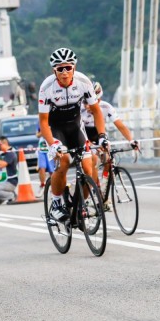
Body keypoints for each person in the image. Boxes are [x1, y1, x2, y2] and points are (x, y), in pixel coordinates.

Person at [38, 47, 108, 221]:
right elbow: (43, 122)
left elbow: (96, 111)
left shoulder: (83, 82)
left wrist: (102, 136)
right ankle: (56, 203)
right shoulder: (46, 87)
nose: (64, 72)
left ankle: (81, 205)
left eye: (68, 68)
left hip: (76, 127)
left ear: (74, 68)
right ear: (54, 71)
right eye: (60, 69)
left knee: (88, 168)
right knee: (63, 163)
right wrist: (52, 144)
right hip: (56, 129)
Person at [81, 81, 139, 210]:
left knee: (108, 159)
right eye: (85, 102)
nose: (88, 106)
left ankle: (104, 190)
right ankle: (93, 190)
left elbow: (120, 126)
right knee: (93, 159)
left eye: (91, 102)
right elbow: (78, 130)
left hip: (99, 135)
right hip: (84, 135)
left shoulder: (106, 107)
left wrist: (131, 140)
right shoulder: (80, 109)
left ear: (99, 99)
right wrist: (88, 143)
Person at [35, 125, 55, 198]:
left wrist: (48, 131)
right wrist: (43, 131)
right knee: (41, 167)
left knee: (52, 171)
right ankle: (42, 185)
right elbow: (37, 135)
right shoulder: (39, 122)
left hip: (50, 147)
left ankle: (53, 189)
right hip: (42, 148)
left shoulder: (52, 121)